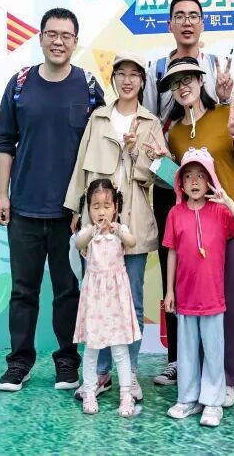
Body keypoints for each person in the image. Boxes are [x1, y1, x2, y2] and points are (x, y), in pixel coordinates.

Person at [0, 7, 104, 393]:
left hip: (69, 214)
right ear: (41, 38)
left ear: (76, 41)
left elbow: (100, 145)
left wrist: (89, 206)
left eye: (66, 35)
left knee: (67, 291)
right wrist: (3, 194)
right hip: (23, 208)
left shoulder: (88, 87)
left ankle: (67, 361)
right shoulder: (20, 84)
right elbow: (5, 141)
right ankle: (19, 363)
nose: (59, 41)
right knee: (23, 291)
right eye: (52, 34)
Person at [143, 0, 234, 388]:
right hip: (169, 181)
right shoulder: (155, 69)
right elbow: (150, 122)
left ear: (202, 23)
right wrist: (160, 161)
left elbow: (224, 119)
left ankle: (216, 364)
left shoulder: (213, 67)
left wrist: (226, 98)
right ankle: (177, 359)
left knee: (209, 270)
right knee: (175, 268)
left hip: (207, 184)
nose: (186, 22)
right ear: (169, 24)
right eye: (179, 16)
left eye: (193, 15)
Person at [155, 56, 234, 407]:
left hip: (233, 219)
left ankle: (228, 376)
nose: (182, 87)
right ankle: (199, 379)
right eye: (175, 82)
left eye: (188, 79)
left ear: (201, 81)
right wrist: (158, 160)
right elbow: (179, 180)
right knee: (199, 304)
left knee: (226, 301)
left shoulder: (225, 113)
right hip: (199, 227)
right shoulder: (175, 133)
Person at [64, 51, 160, 403]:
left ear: (142, 81)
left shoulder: (151, 122)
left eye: (134, 74)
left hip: (132, 223)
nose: (127, 80)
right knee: (98, 299)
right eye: (121, 73)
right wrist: (76, 208)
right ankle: (101, 373)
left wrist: (134, 153)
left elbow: (158, 176)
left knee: (132, 301)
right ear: (114, 79)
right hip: (98, 223)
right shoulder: (99, 118)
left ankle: (129, 375)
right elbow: (81, 165)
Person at [163, 147, 234, 427]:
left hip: (213, 297)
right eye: (188, 176)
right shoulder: (175, 214)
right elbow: (172, 252)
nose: (194, 181)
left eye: (201, 175)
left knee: (214, 351)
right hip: (185, 298)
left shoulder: (220, 212)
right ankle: (187, 399)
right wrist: (169, 291)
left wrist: (227, 200)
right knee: (187, 352)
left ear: (210, 180)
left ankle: (213, 403)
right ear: (181, 183)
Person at [73, 179, 143, 417]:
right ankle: (89, 391)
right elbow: (78, 243)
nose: (101, 212)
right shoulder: (88, 234)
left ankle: (126, 394)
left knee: (120, 349)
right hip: (94, 301)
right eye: (95, 206)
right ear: (88, 209)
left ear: (115, 207)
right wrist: (90, 231)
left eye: (106, 206)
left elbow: (132, 242)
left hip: (116, 300)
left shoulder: (119, 231)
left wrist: (119, 230)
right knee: (91, 348)